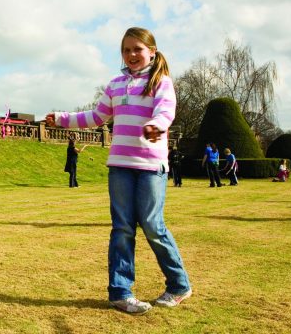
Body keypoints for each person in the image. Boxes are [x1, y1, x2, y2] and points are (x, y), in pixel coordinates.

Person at [45, 27, 191, 315]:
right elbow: (97, 116)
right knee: (122, 229)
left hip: (150, 166)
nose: (132, 54)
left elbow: (165, 113)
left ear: (152, 50)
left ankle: (178, 285)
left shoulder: (160, 82)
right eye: (126, 50)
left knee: (152, 226)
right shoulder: (115, 84)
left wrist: (155, 127)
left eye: (137, 48)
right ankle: (120, 293)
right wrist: (62, 119)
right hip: (120, 166)